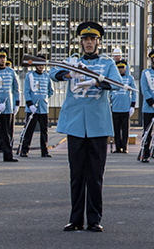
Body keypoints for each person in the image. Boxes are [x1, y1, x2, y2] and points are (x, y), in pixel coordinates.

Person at [50, 21, 119, 232]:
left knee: (95, 175)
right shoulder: (72, 61)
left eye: (92, 39)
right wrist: (70, 74)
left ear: (98, 42)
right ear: (81, 42)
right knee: (77, 174)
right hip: (76, 124)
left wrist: (96, 81)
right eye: (85, 40)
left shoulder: (107, 63)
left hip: (98, 125)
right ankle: (76, 219)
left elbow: (115, 83)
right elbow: (53, 73)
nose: (89, 43)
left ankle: (94, 218)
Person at [21, 56, 54, 158]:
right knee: (29, 130)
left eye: (42, 64)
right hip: (32, 108)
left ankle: (45, 151)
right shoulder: (29, 75)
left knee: (44, 131)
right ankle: (24, 150)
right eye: (38, 64)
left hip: (43, 108)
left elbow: (50, 91)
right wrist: (30, 104)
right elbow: (26, 91)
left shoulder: (47, 76)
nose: (40, 66)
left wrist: (45, 99)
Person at [110, 58, 135, 153]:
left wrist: (132, 105)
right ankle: (117, 147)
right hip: (115, 107)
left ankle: (124, 147)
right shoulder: (113, 78)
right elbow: (109, 91)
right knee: (116, 129)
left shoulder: (129, 78)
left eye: (122, 67)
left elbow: (134, 92)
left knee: (125, 129)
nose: (120, 69)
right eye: (119, 67)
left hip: (125, 107)